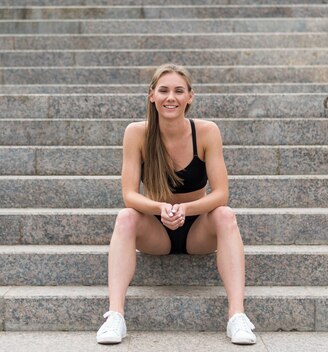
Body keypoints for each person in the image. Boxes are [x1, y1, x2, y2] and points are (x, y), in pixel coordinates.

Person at [96, 63, 256, 345]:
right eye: (164, 90)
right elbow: (129, 195)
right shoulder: (137, 133)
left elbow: (221, 193)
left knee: (226, 215)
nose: (171, 97)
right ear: (151, 95)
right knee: (125, 217)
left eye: (179, 91)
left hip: (198, 230)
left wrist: (185, 209)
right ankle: (115, 317)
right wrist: (161, 209)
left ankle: (237, 317)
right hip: (156, 232)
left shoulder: (207, 132)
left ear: (190, 97)